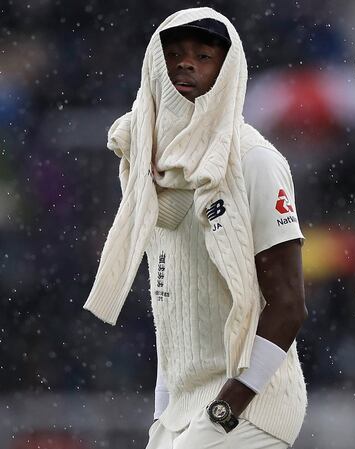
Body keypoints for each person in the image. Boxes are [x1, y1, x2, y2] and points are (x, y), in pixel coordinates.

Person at [83, 8, 307, 449]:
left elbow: (288, 304)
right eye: (175, 53)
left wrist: (228, 407)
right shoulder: (146, 167)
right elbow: (173, 312)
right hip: (183, 408)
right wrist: (161, 414)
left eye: (204, 56)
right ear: (154, 65)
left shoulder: (255, 161)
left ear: (227, 73)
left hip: (250, 404)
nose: (186, 64)